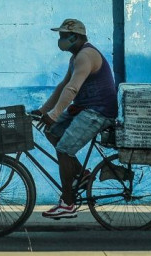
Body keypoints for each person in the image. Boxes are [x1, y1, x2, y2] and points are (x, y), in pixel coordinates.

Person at [32, 18, 117, 219]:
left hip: (99, 112)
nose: (60, 40)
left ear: (76, 37)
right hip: (85, 109)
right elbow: (63, 85)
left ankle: (68, 203)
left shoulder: (86, 56)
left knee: (63, 149)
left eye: (63, 36)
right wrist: (44, 111)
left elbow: (72, 88)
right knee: (51, 131)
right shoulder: (76, 57)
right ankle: (82, 175)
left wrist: (53, 115)